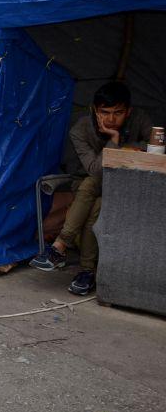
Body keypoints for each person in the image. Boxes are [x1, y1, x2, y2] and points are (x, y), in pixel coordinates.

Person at [30, 82, 152, 296]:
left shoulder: (140, 119)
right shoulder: (81, 130)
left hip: (126, 185)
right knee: (93, 198)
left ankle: (60, 246)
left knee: (92, 192)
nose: (111, 119)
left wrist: (118, 143)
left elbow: (156, 145)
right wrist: (117, 144)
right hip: (86, 183)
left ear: (129, 111)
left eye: (118, 113)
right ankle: (87, 271)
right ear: (95, 110)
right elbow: (95, 171)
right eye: (105, 112)